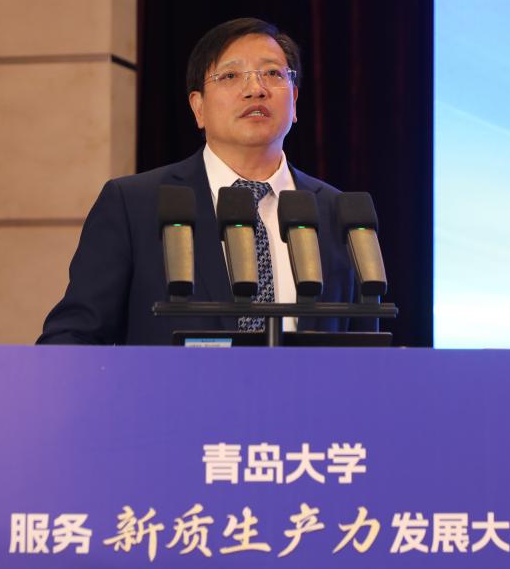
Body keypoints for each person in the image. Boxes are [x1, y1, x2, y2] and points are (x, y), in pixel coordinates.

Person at [37, 17, 363, 345]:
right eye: (231, 76)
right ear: (198, 108)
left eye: (273, 73)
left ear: (294, 101)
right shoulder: (134, 205)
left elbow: (368, 348)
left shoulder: (337, 213)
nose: (256, 89)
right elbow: (71, 337)